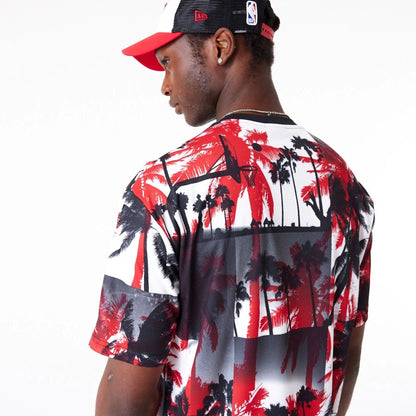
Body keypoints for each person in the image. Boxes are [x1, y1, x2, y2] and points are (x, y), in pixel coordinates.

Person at [89, 1, 375, 415]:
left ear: (221, 46)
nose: (165, 86)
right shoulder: (344, 185)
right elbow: (347, 354)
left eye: (168, 62)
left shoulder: (164, 189)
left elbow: (126, 392)